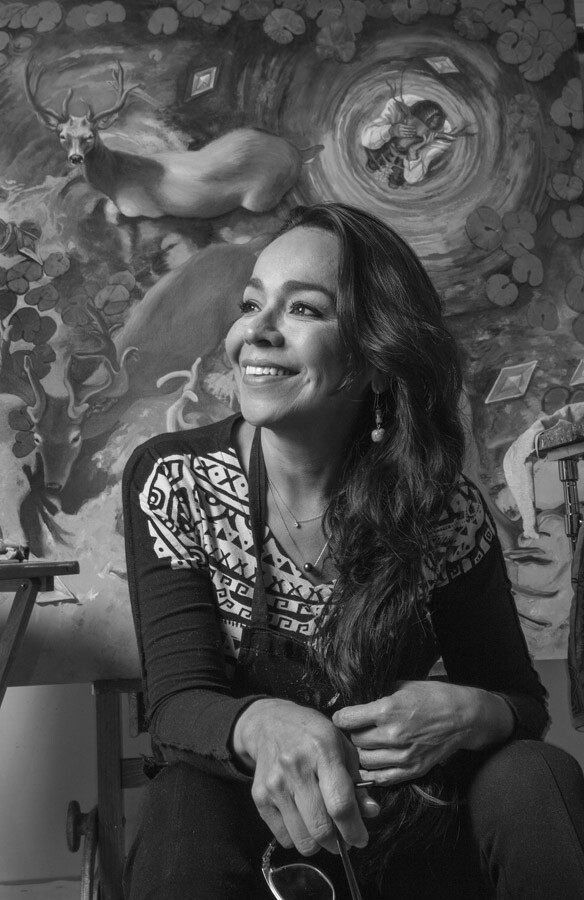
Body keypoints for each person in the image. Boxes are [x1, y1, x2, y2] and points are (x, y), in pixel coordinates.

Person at [122, 202, 584, 900]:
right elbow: (176, 706)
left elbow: (521, 700)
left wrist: (469, 712)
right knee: (182, 797)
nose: (256, 332)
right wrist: (261, 721)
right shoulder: (174, 479)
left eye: (302, 309)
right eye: (252, 303)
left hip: (415, 824)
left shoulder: (441, 506)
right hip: (248, 826)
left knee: (535, 773)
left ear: (374, 357)